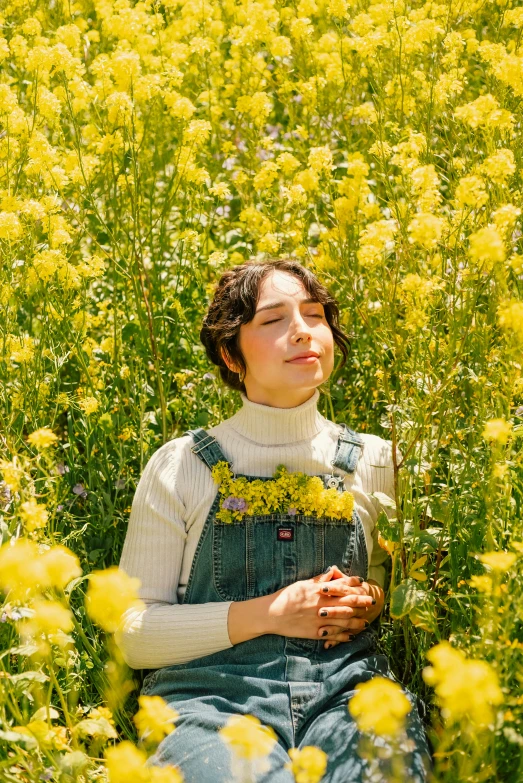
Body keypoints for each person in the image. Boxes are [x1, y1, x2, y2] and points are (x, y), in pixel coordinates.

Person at [115, 258, 432, 782]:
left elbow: (397, 585)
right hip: (208, 702)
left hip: (349, 693)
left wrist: (369, 600)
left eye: (314, 315)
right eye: (273, 320)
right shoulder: (182, 466)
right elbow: (134, 632)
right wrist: (270, 612)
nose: (303, 331)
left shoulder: (378, 460)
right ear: (229, 354)